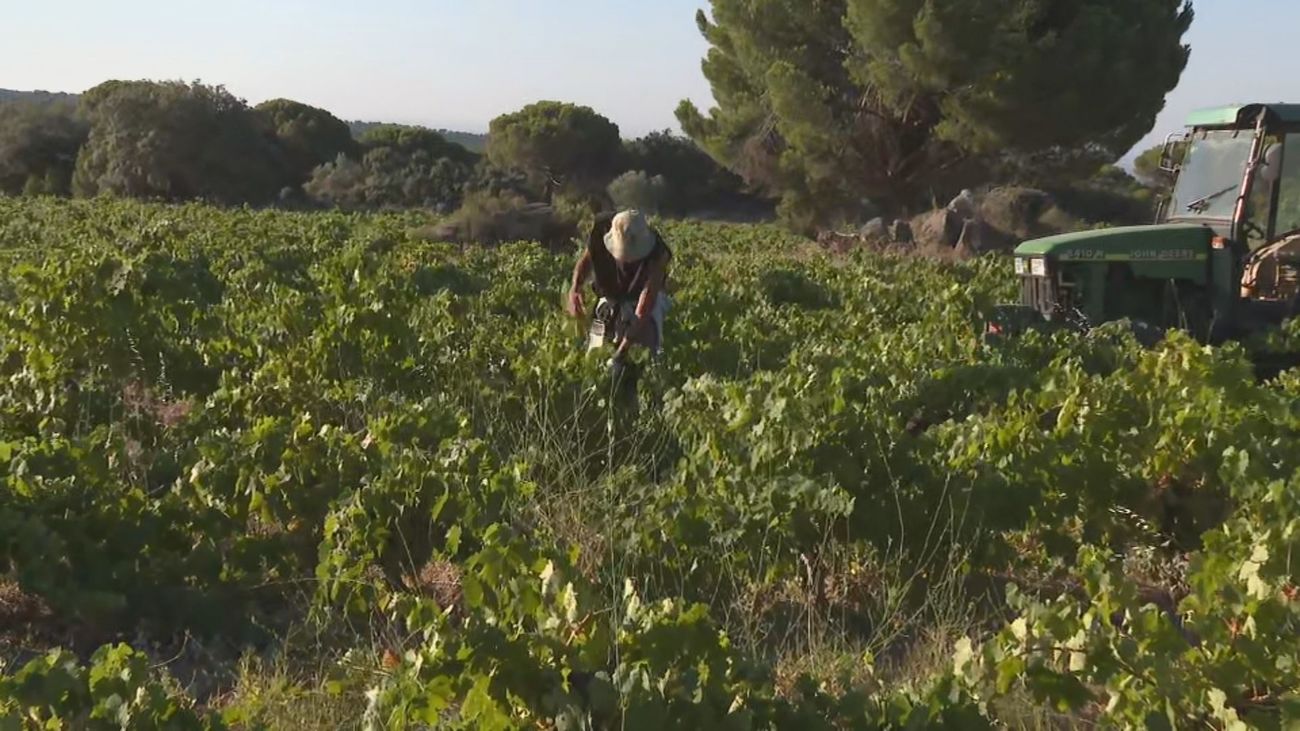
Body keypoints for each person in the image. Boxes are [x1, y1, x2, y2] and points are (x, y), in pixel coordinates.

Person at [565, 209, 671, 362]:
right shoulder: (601, 229)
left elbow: (645, 304)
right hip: (609, 298)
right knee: (595, 353)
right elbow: (586, 260)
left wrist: (621, 352)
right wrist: (575, 288)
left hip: (637, 302)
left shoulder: (658, 254)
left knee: (645, 354)